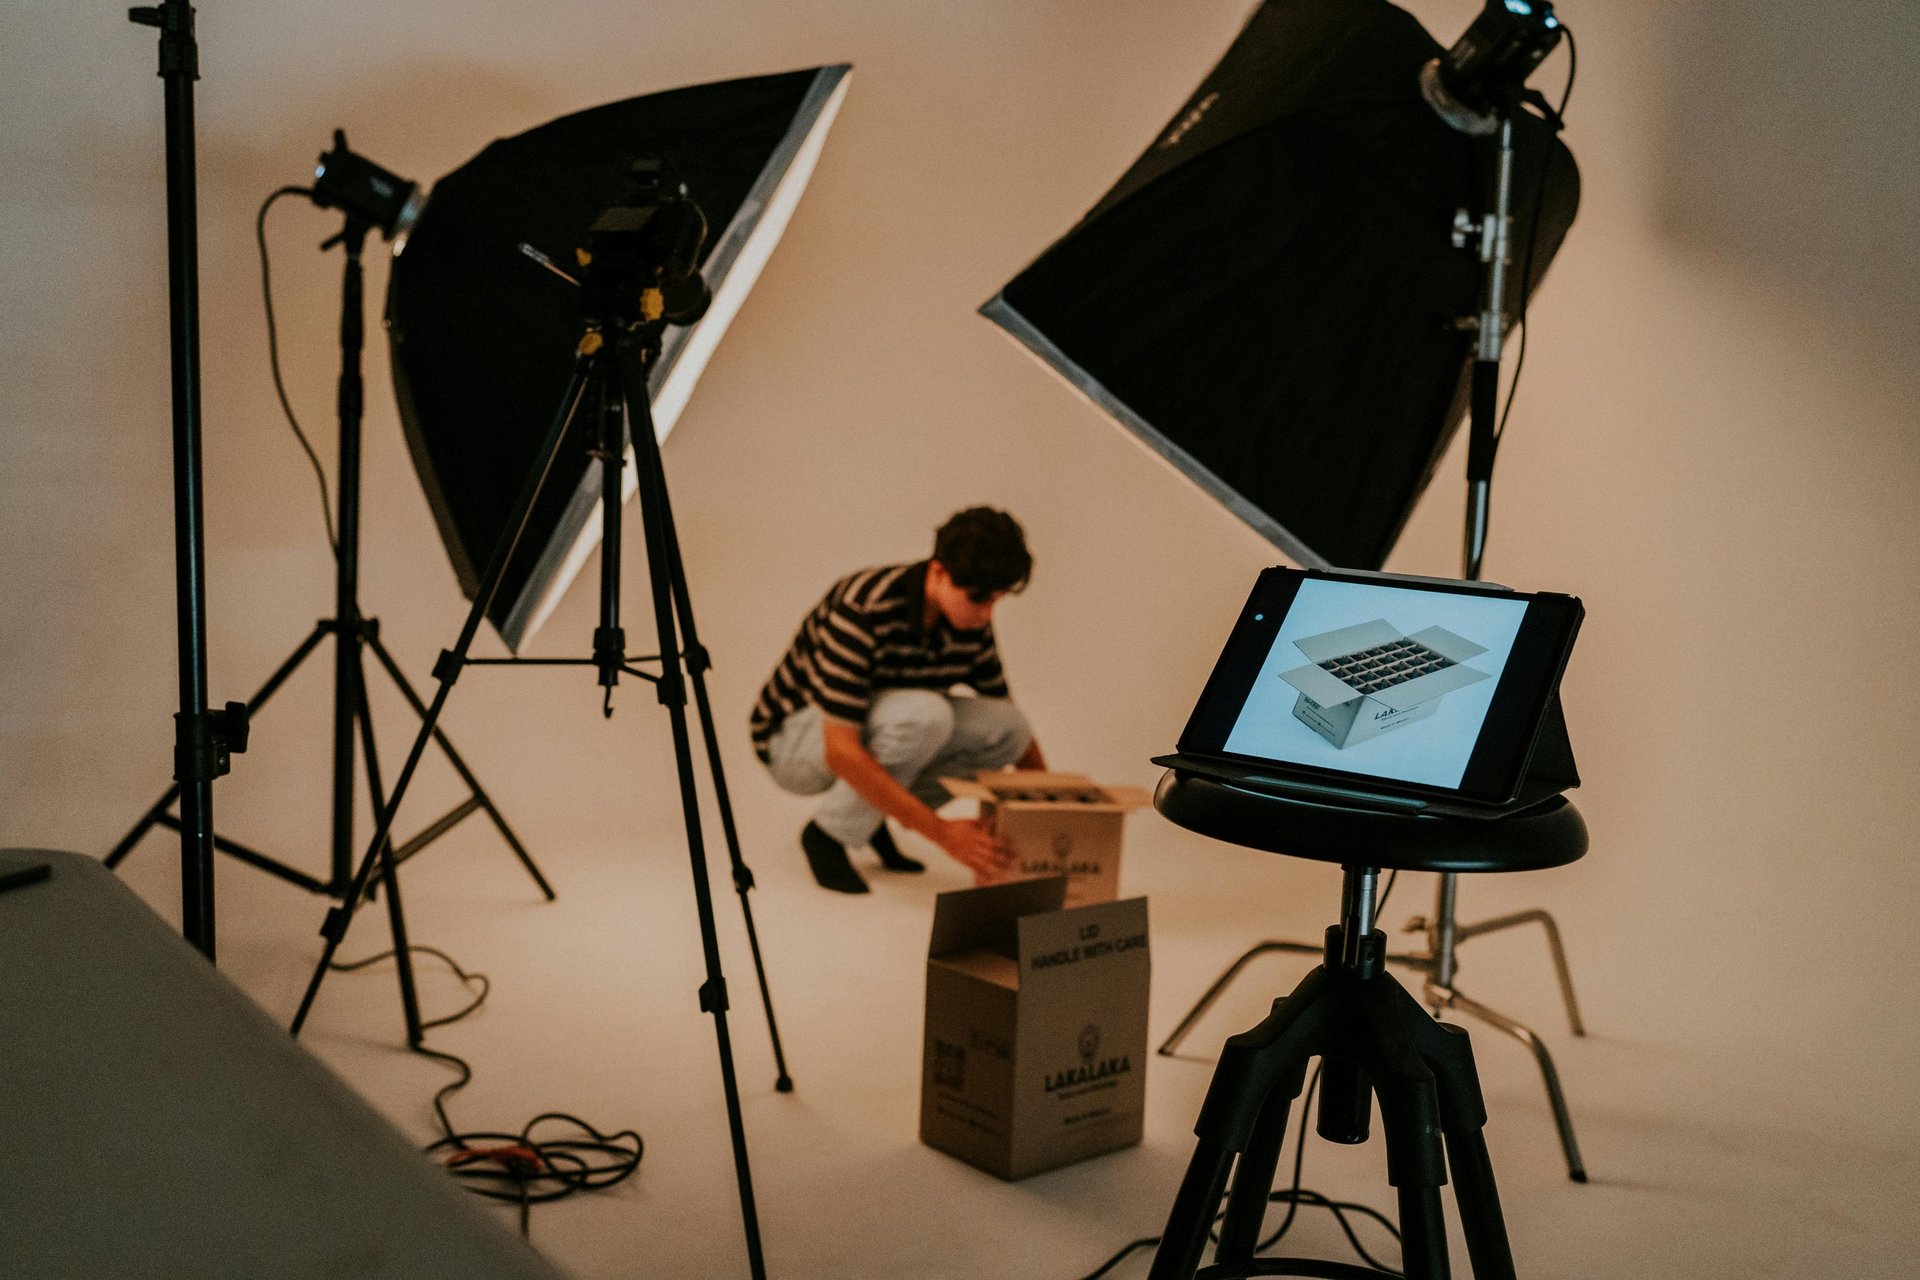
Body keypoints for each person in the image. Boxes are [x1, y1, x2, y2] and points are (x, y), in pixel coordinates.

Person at [750, 507, 1047, 894]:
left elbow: (1013, 730)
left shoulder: (972, 623)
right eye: (978, 598)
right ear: (938, 571)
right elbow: (839, 750)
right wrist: (942, 834)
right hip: (791, 741)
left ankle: (867, 817)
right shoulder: (863, 607)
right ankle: (826, 835)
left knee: (1009, 728)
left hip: (871, 728)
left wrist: (1052, 814)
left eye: (996, 600)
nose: (986, 613)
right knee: (926, 716)